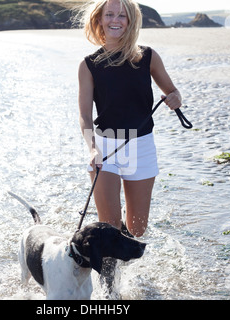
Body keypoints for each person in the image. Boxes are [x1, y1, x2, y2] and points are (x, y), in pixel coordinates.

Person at [78, 0, 182, 239]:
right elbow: (84, 115)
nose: (115, 20)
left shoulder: (148, 57)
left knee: (137, 230)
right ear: (99, 20)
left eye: (122, 16)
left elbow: (173, 91)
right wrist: (92, 149)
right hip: (105, 148)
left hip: (141, 146)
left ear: (131, 21)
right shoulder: (88, 65)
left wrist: (175, 98)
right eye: (110, 15)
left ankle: (128, 255)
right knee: (110, 230)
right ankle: (110, 275)